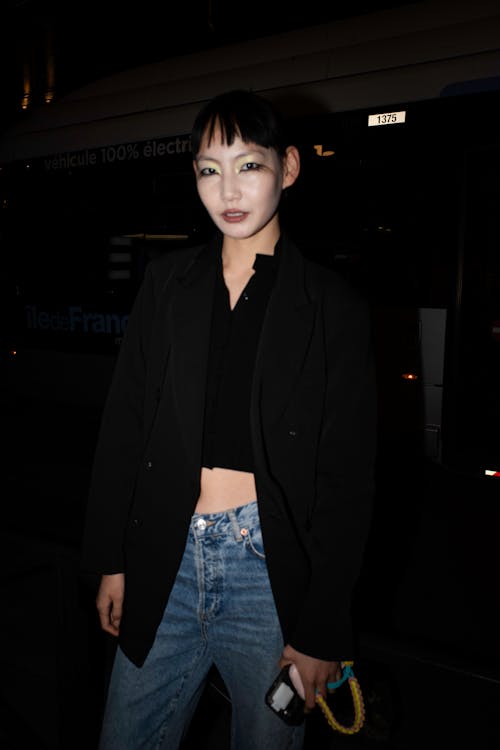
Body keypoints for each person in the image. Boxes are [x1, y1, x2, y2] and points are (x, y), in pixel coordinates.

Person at [80, 89, 377, 750]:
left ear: (289, 168)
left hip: (268, 571)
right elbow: (126, 427)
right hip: (166, 554)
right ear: (195, 177)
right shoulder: (167, 284)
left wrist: (324, 625)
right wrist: (112, 558)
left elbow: (348, 479)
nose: (229, 189)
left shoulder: (333, 306)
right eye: (211, 169)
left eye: (250, 165)